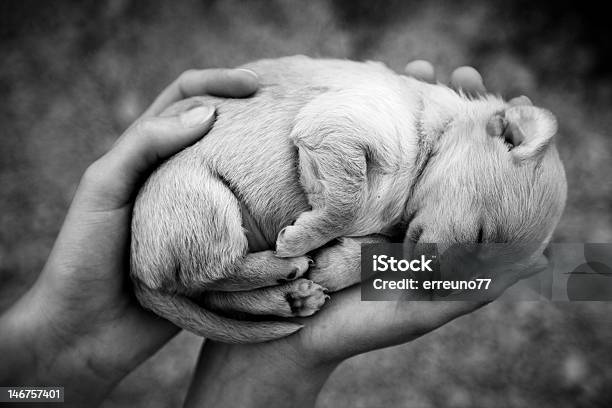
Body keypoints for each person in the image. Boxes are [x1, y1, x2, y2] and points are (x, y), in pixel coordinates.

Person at [0, 60, 541, 407]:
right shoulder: (403, 112)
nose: (447, 266)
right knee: (211, 235)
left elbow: (25, 398)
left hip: (35, 379)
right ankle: (239, 274)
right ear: (505, 133)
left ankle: (244, 284)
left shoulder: (27, 393)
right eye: (477, 233)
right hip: (198, 200)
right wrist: (329, 219)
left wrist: (57, 358)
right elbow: (323, 131)